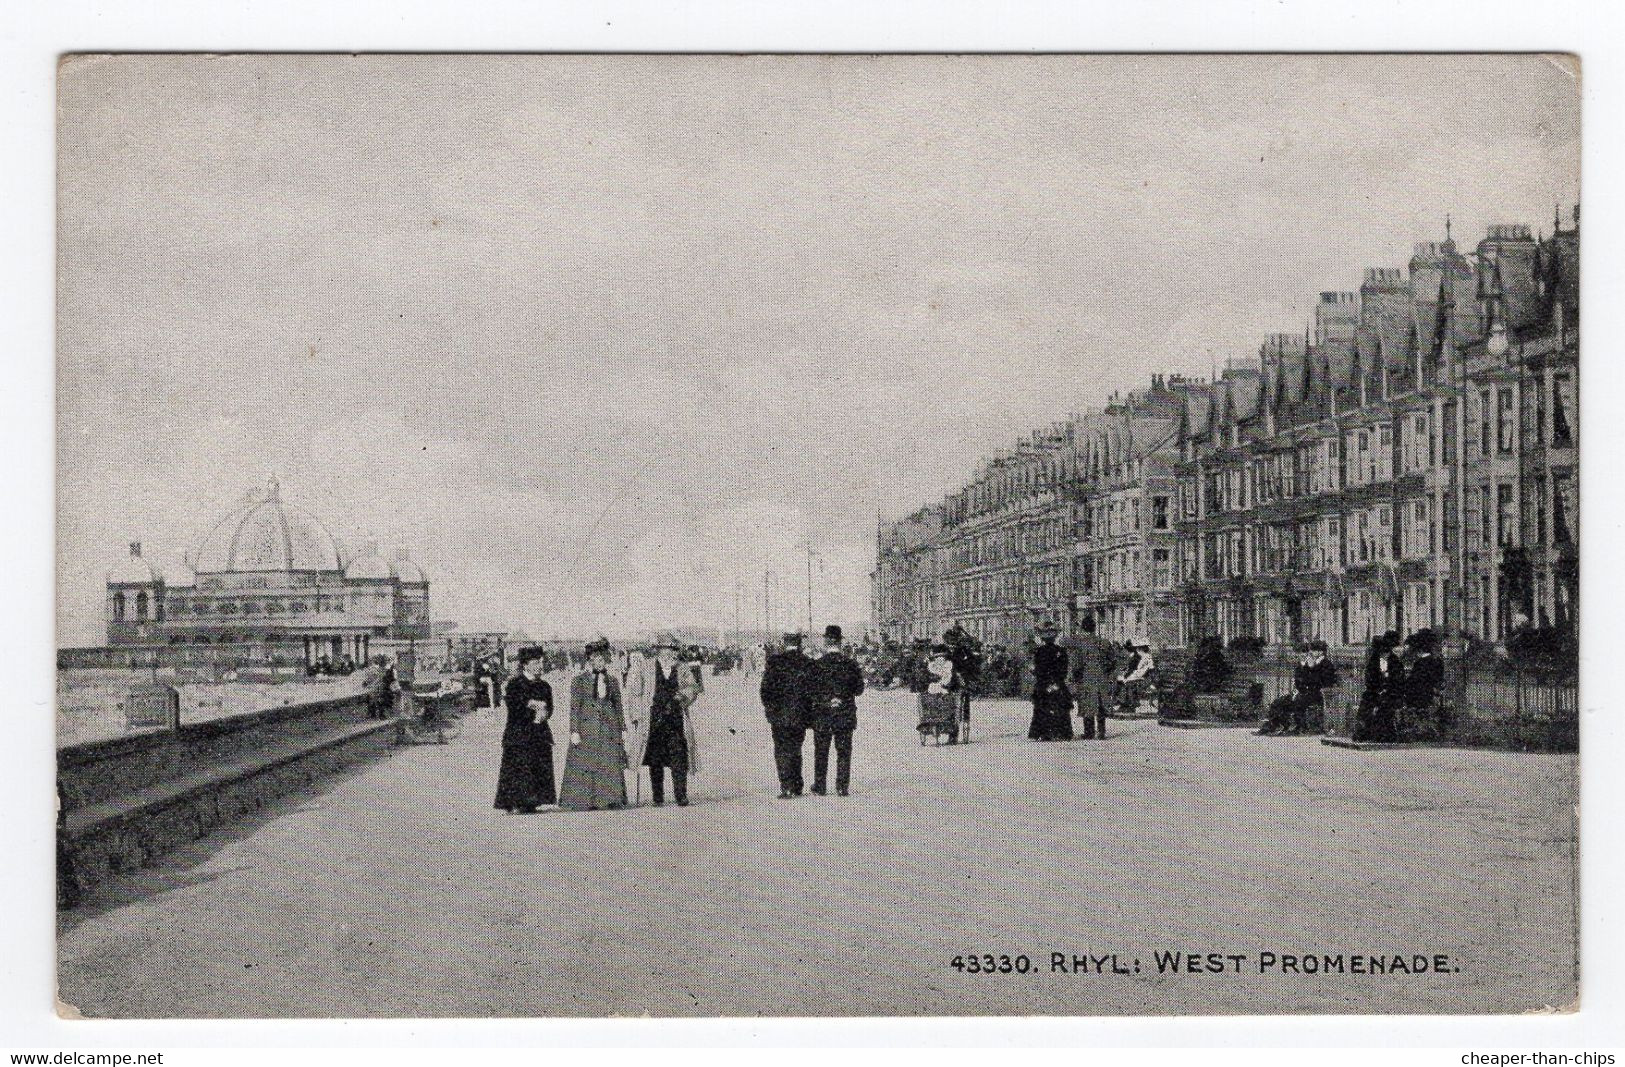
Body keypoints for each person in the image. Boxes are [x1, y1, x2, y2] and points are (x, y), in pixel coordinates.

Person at [626, 634, 701, 806]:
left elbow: (693, 687)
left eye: (672, 650)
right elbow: (635, 693)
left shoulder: (682, 668)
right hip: (653, 719)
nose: (669, 654)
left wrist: (683, 695)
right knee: (655, 759)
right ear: (659, 650)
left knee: (679, 756)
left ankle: (681, 794)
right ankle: (657, 796)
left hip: (676, 719)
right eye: (666, 649)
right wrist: (636, 715)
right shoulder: (646, 667)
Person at [558, 638, 629, 811]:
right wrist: (574, 730)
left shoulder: (613, 681)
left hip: (608, 727)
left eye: (602, 659)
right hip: (587, 727)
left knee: (608, 762)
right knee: (586, 763)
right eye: (596, 659)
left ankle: (609, 799)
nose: (599, 662)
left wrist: (623, 727)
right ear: (589, 661)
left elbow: (618, 705)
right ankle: (585, 800)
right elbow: (575, 707)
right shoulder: (579, 681)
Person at [494, 647, 557, 813]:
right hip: (519, 732)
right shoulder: (515, 684)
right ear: (525, 665)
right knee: (519, 766)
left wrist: (543, 713)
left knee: (537, 764)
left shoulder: (544, 685)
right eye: (535, 663)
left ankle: (532, 802)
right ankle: (515, 802)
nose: (539, 666)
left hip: (539, 731)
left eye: (540, 662)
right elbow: (514, 706)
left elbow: (549, 707)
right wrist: (532, 705)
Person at [809, 624, 865, 796]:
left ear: (826, 642)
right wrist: (841, 697)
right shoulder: (850, 664)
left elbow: (810, 690)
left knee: (821, 750)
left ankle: (820, 786)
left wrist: (826, 700)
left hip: (822, 713)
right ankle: (842, 786)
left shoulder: (816, 665)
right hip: (845, 712)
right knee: (844, 750)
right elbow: (859, 690)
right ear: (840, 642)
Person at [760, 632, 815, 799]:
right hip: (800, 714)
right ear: (799, 644)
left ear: (784, 643)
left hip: (779, 714)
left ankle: (786, 787)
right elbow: (814, 691)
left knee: (781, 749)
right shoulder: (807, 662)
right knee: (796, 747)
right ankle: (797, 785)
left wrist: (770, 708)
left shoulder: (774, 662)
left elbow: (765, 690)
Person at [1259, 640, 1339, 735]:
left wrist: (1309, 668)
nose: (1310, 653)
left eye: (1312, 651)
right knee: (1278, 702)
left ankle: (1300, 727)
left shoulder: (1326, 664)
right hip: (1305, 692)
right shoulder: (1312, 663)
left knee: (1298, 702)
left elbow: (1320, 682)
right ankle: (1274, 725)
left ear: (1320, 652)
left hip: (1318, 694)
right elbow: (1301, 681)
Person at [1354, 630, 1404, 742]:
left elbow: (1399, 680)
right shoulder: (1373, 661)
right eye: (1382, 652)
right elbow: (1369, 679)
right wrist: (1378, 688)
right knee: (1367, 703)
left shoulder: (1395, 661)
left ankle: (1384, 734)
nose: (1385, 655)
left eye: (1387, 652)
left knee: (1385, 705)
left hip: (1392, 693)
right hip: (1375, 691)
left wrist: (1387, 686)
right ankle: (1365, 731)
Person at [1027, 623, 1075, 741]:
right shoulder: (1061, 651)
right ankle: (1061, 732)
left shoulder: (1039, 652)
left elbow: (1036, 669)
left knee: (1041, 707)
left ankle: (1042, 732)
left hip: (1043, 683)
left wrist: (1038, 675)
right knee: (1060, 708)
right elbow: (1063, 669)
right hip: (1057, 682)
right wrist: (1057, 681)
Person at [1069, 617, 1115, 740]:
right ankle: (1101, 731)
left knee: (1087, 703)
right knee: (1100, 703)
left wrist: (1074, 677)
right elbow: (1113, 661)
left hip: (1086, 676)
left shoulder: (1079, 643)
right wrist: (1106, 672)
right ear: (1094, 628)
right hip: (1102, 676)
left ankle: (1089, 732)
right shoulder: (1104, 642)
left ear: (1083, 628)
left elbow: (1076, 663)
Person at [1399, 628, 1446, 739]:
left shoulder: (1421, 663)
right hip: (1430, 692)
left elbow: (1414, 680)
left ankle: (1412, 728)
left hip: (1420, 695)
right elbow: (1438, 678)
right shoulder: (1438, 661)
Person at [1115, 639, 1155, 713]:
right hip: (1139, 677)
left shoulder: (1147, 657)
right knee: (1124, 683)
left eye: (1138, 648)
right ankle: (1124, 704)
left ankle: (1129, 705)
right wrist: (1128, 677)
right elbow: (1136, 670)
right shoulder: (1141, 657)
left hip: (1145, 679)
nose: (1136, 650)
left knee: (1129, 684)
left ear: (1142, 649)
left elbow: (1147, 671)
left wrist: (1130, 678)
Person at [364, 654, 398, 719]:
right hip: (377, 688)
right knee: (372, 695)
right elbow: (370, 680)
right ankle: (373, 713)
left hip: (385, 689)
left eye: (382, 662)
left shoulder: (388, 671)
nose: (381, 663)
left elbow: (391, 681)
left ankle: (380, 713)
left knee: (380, 696)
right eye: (380, 662)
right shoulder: (374, 670)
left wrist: (384, 682)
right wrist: (367, 683)